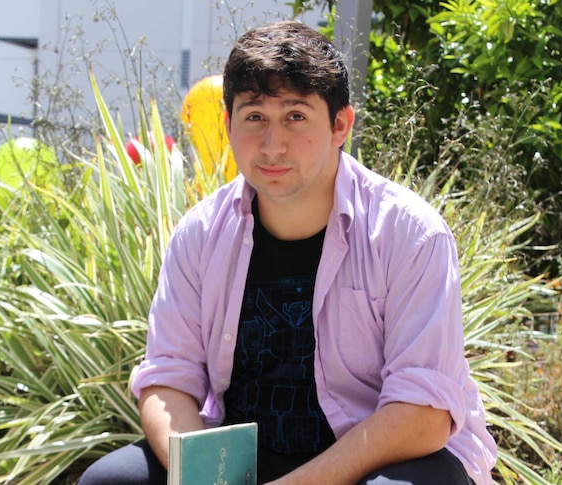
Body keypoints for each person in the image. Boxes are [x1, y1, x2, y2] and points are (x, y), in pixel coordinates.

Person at [79, 20, 497, 485]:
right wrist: (198, 477)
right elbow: (167, 380)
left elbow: (424, 413)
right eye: (255, 116)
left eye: (295, 117)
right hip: (241, 462)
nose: (272, 144)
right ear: (228, 123)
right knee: (108, 481)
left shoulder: (409, 235)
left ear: (340, 125)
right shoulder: (199, 234)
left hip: (372, 460)